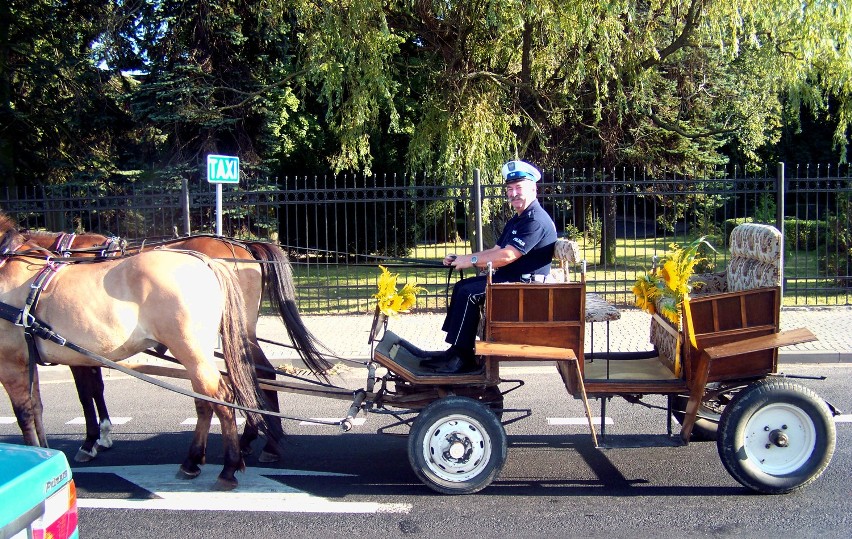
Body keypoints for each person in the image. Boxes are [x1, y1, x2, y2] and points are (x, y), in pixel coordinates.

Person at [423, 159, 558, 374]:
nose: (514, 194)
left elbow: (507, 256)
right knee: (461, 288)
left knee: (469, 293)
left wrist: (471, 261)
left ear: (533, 189)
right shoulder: (517, 220)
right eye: (510, 189)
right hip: (510, 279)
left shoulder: (535, 220)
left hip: (526, 287)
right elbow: (495, 250)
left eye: (519, 188)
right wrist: (463, 257)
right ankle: (457, 350)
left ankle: (462, 358)